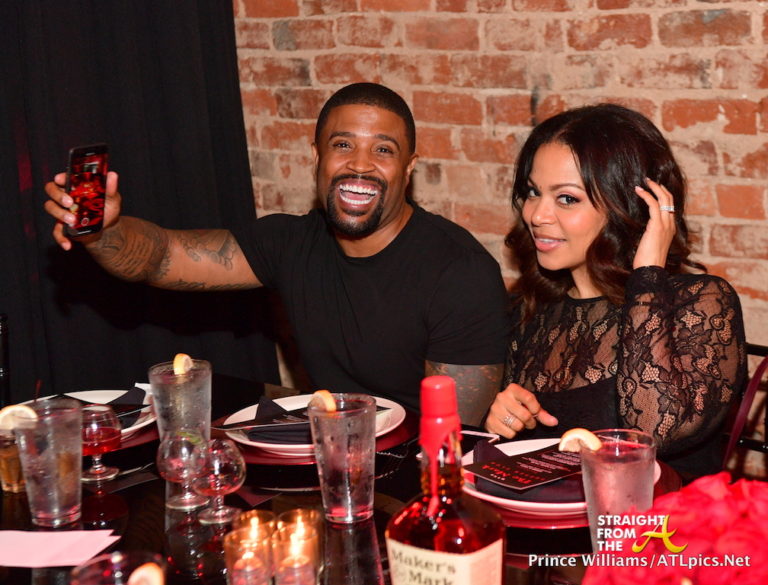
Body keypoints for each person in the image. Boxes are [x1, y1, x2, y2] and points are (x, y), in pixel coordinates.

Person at [44, 82, 509, 424]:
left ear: (408, 168)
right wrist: (102, 232)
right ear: (318, 156)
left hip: (412, 480)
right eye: (342, 145)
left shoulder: (460, 273)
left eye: (383, 150)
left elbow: (455, 435)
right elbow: (161, 257)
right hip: (325, 453)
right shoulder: (290, 242)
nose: (360, 164)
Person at [484, 104, 746, 478]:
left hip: (663, 514)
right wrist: (502, 421)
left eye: (567, 198)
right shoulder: (534, 309)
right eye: (532, 192)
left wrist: (648, 272)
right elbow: (530, 464)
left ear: (627, 206)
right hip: (560, 515)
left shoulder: (701, 302)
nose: (536, 215)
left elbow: (653, 432)